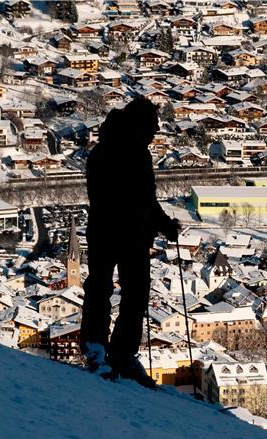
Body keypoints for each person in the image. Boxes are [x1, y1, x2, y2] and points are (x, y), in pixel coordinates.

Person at [80, 97, 180, 388]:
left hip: (119, 232)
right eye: (151, 128)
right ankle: (106, 351)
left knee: (119, 291)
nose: (154, 134)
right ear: (139, 126)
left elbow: (145, 199)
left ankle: (111, 351)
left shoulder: (120, 150)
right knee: (115, 290)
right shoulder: (118, 152)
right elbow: (132, 200)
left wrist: (162, 224)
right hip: (117, 231)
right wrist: (156, 223)